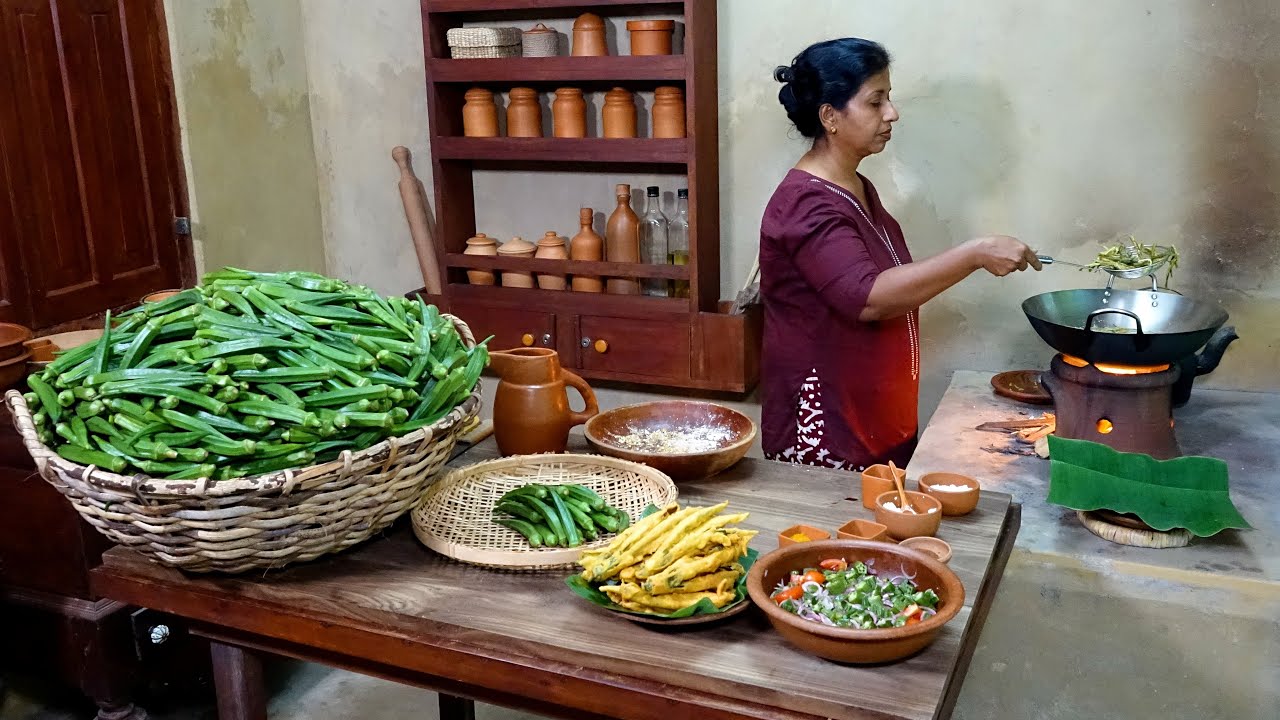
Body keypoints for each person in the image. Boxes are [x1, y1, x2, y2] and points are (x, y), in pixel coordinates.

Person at [760, 38, 1041, 472]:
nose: (892, 113)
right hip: (828, 425)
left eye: (888, 98)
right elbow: (868, 297)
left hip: (871, 414)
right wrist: (975, 253)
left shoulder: (857, 187)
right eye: (876, 101)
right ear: (830, 117)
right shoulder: (805, 204)